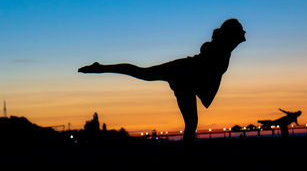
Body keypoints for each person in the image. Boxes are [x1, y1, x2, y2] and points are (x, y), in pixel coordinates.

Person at [78, 18, 246, 155]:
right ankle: (100, 67)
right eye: (238, 35)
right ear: (231, 36)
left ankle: (188, 158)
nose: (241, 40)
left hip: (187, 83)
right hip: (182, 72)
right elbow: (207, 56)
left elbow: (210, 63)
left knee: (191, 123)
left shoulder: (223, 47)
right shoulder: (220, 48)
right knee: (143, 73)